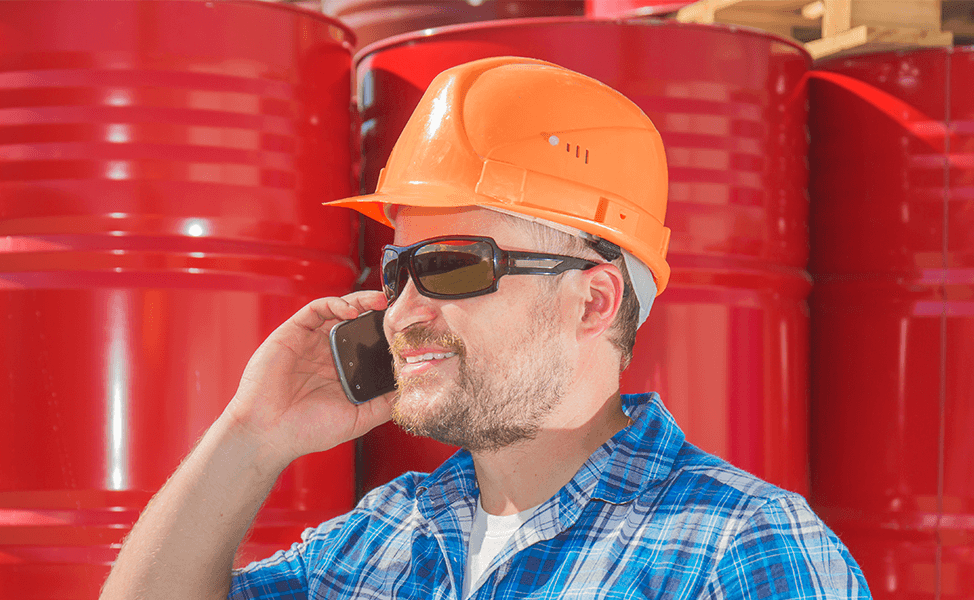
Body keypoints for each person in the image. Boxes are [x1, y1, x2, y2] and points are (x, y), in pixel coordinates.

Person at [99, 56, 870, 599]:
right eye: (397, 270)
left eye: (453, 268)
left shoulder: (739, 550)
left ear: (594, 301)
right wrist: (250, 434)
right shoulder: (385, 537)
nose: (402, 310)